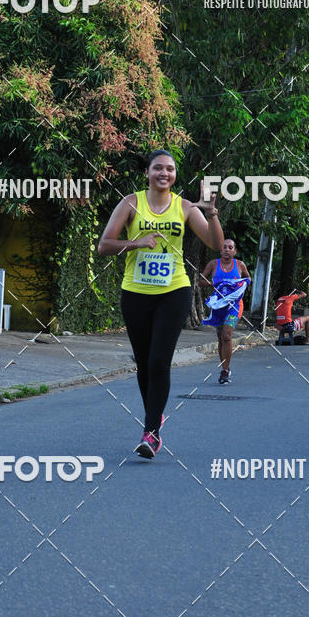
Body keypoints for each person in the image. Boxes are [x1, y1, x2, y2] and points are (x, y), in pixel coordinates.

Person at [98, 150, 224, 458]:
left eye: (169, 169)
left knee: (158, 362)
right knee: (144, 364)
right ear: (148, 173)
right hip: (135, 291)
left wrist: (212, 214)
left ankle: (151, 432)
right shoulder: (130, 203)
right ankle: (155, 417)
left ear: (175, 175)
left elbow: (217, 246)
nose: (164, 173)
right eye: (158, 168)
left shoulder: (184, 206)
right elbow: (104, 245)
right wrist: (136, 243)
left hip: (174, 290)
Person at [200, 239, 251, 384]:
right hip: (219, 306)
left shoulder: (240, 265)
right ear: (220, 250)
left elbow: (248, 278)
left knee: (227, 336)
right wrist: (211, 283)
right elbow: (201, 280)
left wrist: (241, 285)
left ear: (234, 251)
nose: (227, 250)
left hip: (234, 306)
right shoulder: (213, 264)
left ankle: (225, 371)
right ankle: (224, 366)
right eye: (224, 247)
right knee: (220, 337)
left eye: (230, 247)